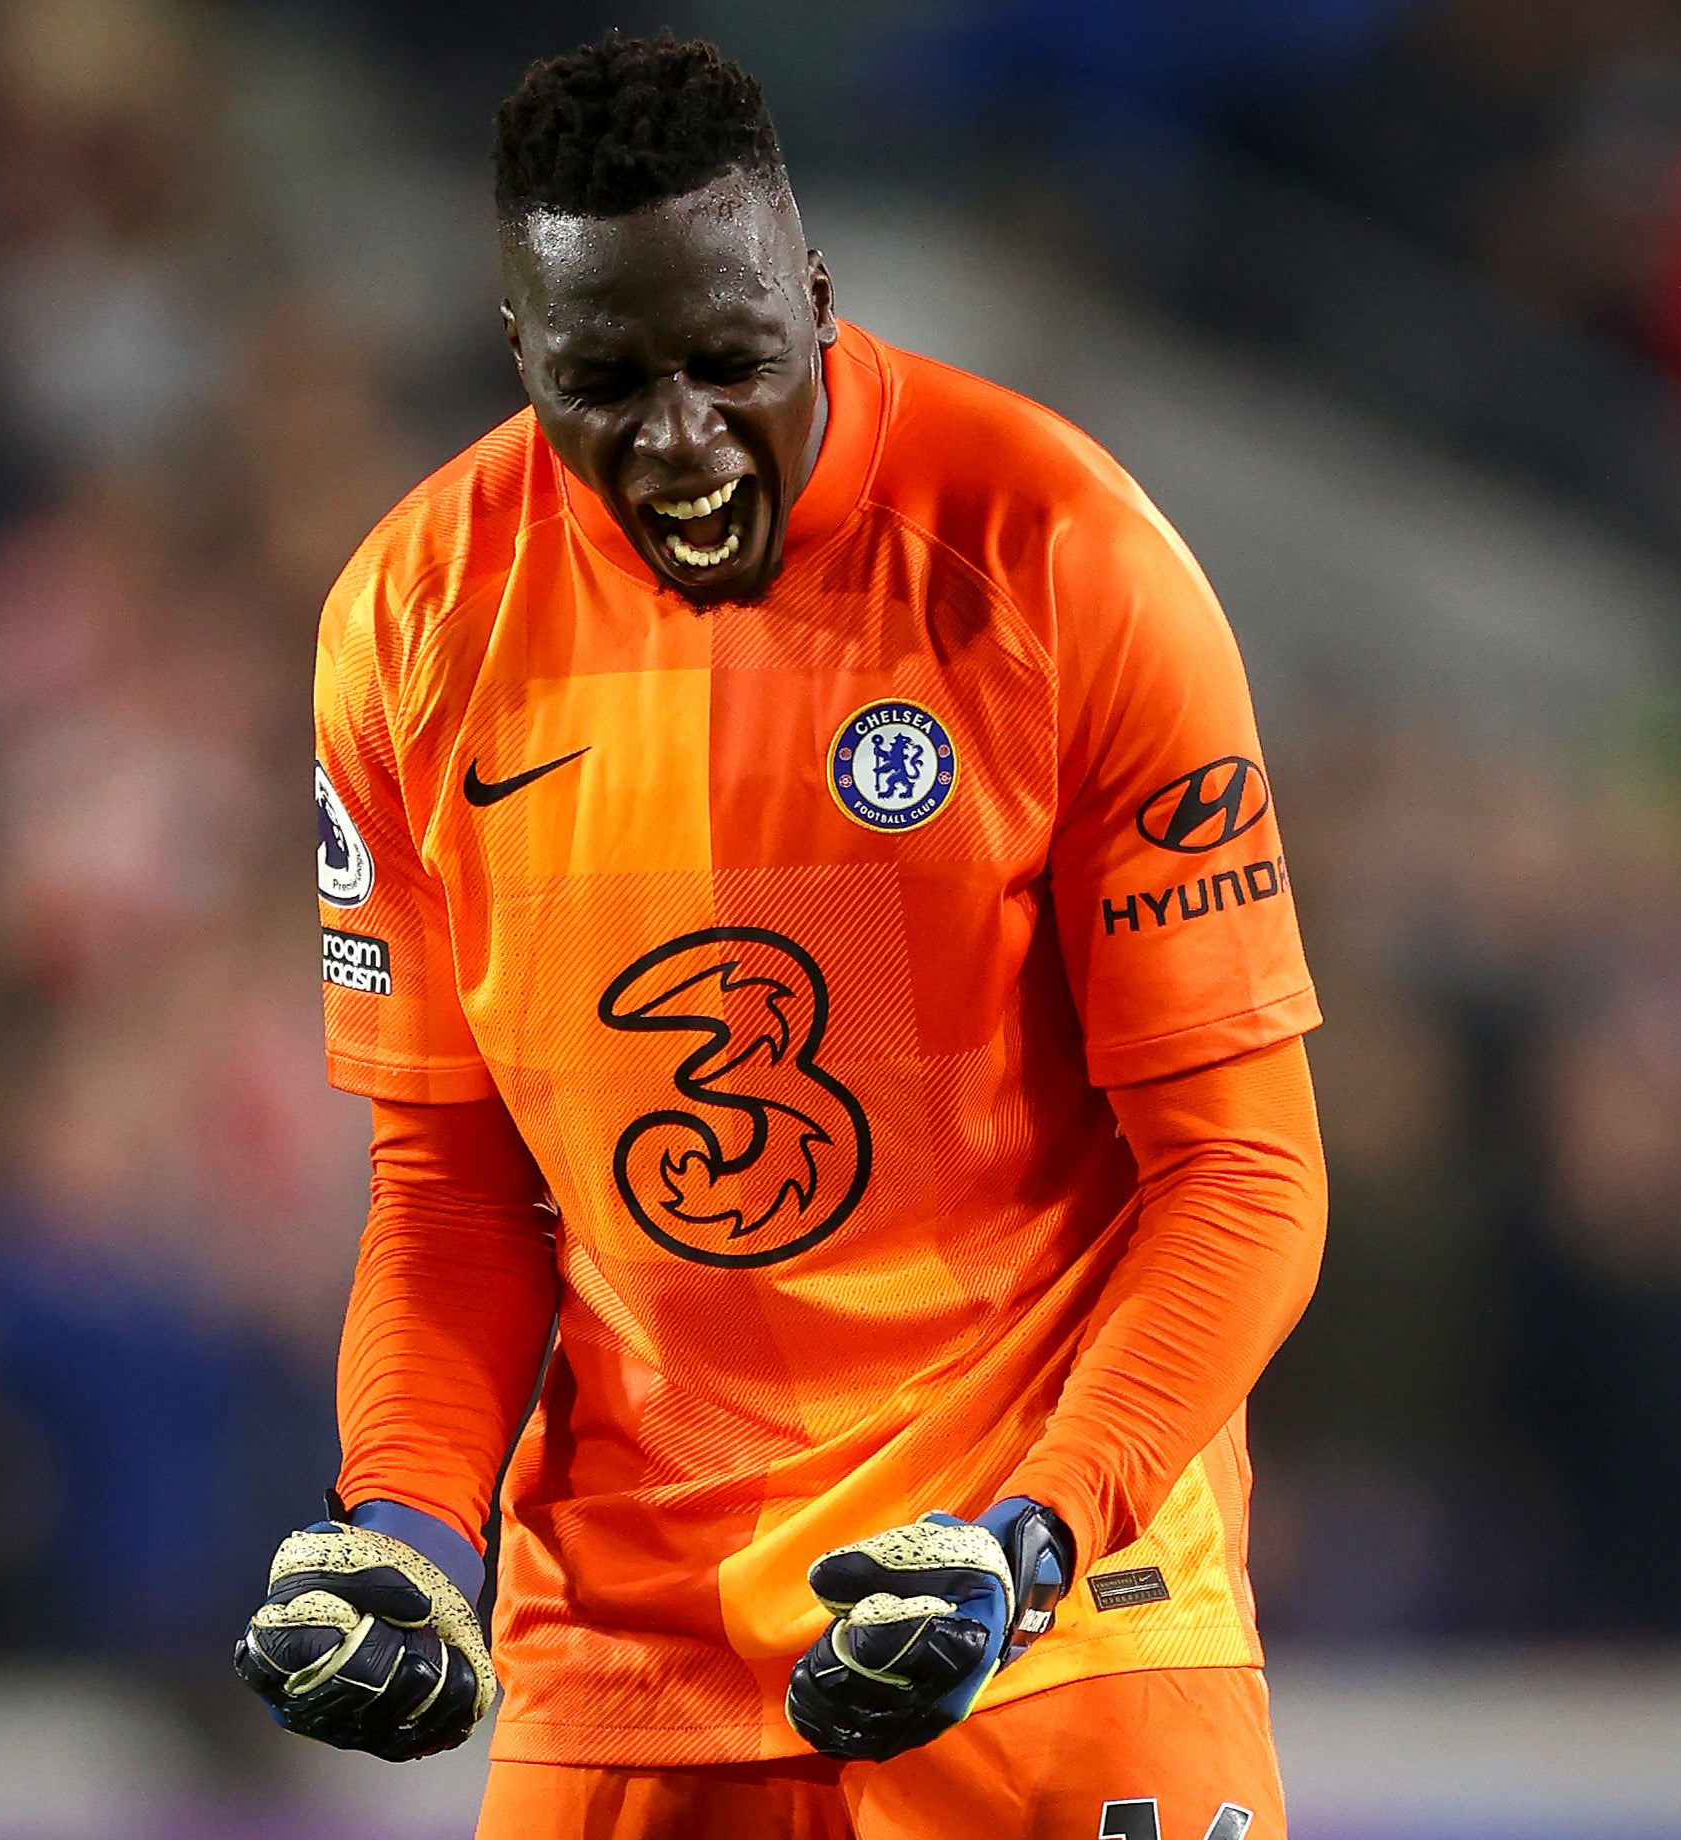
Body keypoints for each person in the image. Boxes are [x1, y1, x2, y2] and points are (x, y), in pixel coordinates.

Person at [233, 31, 1328, 1840]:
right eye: (606, 381)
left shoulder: (1062, 559)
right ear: (518, 354)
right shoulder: (412, 626)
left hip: (1049, 1618)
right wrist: (410, 1523)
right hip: (630, 1656)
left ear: (816, 297)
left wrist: (1038, 1531)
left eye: (735, 362)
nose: (681, 440)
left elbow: (1245, 1172)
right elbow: (451, 1187)